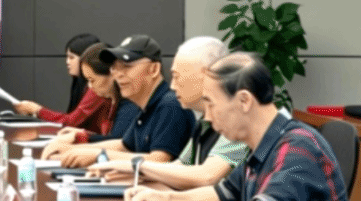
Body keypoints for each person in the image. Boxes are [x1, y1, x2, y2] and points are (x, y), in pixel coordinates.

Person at [125, 53, 359, 201]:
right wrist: (165, 199)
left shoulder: (298, 148)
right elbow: (225, 194)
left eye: (211, 103)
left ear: (244, 101)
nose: (207, 116)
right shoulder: (265, 144)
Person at [88, 36, 249, 188]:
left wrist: (135, 167)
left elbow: (206, 177)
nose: (172, 86)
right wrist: (136, 176)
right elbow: (179, 167)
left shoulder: (237, 120)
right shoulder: (204, 123)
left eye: (177, 77)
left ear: (208, 75)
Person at [53, 34, 195, 168]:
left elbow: (159, 160)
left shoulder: (170, 105)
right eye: (115, 67)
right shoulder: (146, 107)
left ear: (153, 69)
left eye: (127, 66)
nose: (118, 75)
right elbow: (124, 145)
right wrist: (71, 149)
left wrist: (99, 155)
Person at [40, 43, 140, 158]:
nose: (90, 86)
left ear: (112, 73)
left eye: (92, 80)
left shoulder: (130, 104)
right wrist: (83, 134)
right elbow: (111, 138)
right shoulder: (112, 100)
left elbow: (120, 143)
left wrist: (81, 138)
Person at [13, 33, 109, 131]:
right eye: (67, 57)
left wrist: (37, 110)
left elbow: (71, 122)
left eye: (71, 57)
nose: (67, 62)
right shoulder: (81, 84)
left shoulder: (97, 88)